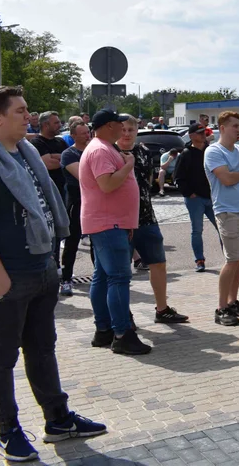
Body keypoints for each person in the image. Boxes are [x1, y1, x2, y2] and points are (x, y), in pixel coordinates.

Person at [0, 86, 106, 462]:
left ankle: (58, 420)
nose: (30, 117)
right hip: (1, 277)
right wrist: (0, 280)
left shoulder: (24, 153)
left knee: (42, 349)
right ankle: (7, 431)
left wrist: (49, 266)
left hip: (39, 267)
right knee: (0, 358)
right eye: (21, 111)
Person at [80, 109, 152, 356]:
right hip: (108, 224)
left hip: (110, 223)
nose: (123, 129)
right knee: (118, 278)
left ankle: (104, 331)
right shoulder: (100, 149)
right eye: (119, 125)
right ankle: (122, 334)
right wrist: (128, 165)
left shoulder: (102, 147)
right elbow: (107, 184)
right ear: (109, 125)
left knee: (103, 277)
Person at [117, 115, 189, 325]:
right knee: (121, 271)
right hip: (120, 221)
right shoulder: (110, 152)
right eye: (123, 129)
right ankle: (124, 315)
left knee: (158, 263)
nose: (127, 134)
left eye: (131, 129)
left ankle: (162, 308)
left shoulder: (143, 152)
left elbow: (148, 181)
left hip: (147, 217)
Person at [203, 110, 239, 326]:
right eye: (235, 126)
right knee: (231, 260)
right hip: (227, 212)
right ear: (222, 128)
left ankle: (232, 301)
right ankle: (221, 307)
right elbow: (226, 179)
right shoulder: (213, 151)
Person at [176, 123, 219, 272]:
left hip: (212, 197)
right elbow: (178, 178)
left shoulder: (210, 151)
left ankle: (231, 258)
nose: (203, 135)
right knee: (197, 230)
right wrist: (189, 193)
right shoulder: (186, 153)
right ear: (192, 136)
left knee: (223, 228)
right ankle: (200, 260)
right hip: (195, 199)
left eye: (204, 133)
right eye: (200, 133)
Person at [57, 122, 90, 296]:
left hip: (94, 203)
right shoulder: (69, 154)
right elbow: (83, 176)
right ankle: (66, 279)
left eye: (88, 132)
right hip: (76, 203)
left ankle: (101, 277)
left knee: (97, 242)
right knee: (72, 242)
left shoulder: (94, 150)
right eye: (83, 133)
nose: (87, 135)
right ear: (73, 136)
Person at [28, 112, 68, 211]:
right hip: (48, 192)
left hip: (64, 189)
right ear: (46, 125)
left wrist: (55, 156)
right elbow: (49, 164)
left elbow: (70, 159)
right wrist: (63, 159)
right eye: (56, 123)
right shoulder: (37, 142)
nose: (60, 125)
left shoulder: (60, 141)